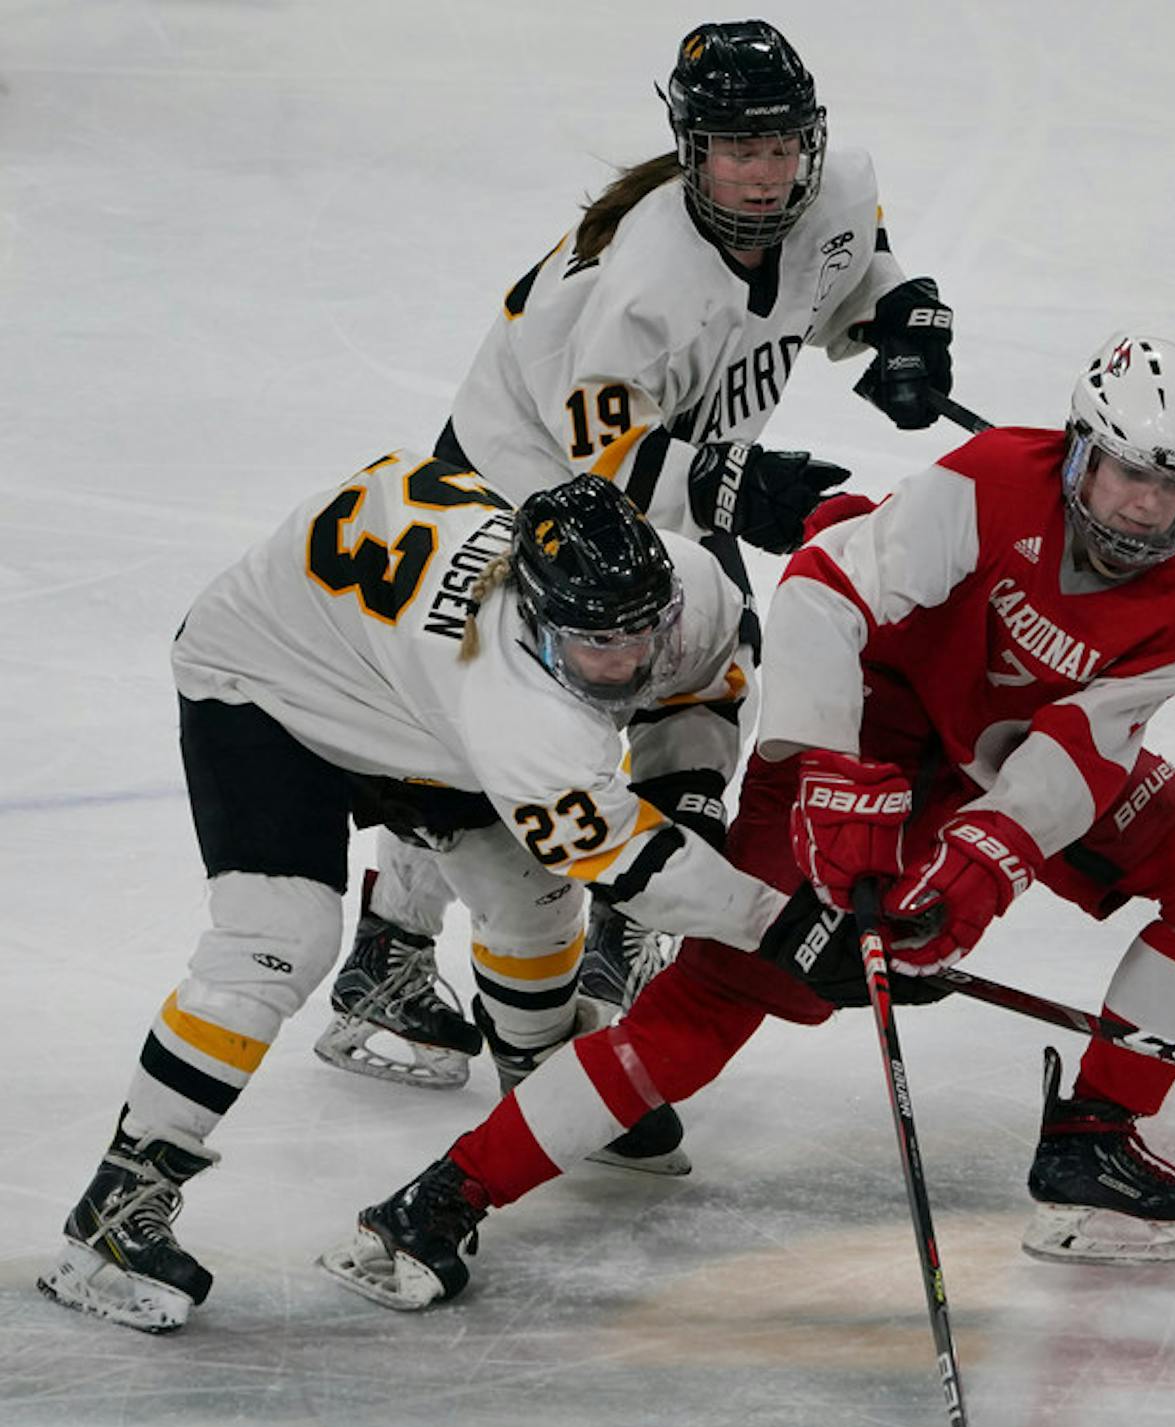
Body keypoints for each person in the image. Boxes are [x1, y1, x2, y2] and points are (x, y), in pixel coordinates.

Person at [319, 332, 1175, 1311]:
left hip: (1000, 757)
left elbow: (1082, 748)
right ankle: (445, 1195)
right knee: (722, 996)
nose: (1148, 508)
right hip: (869, 729)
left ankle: (1093, 1146)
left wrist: (977, 873)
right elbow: (825, 589)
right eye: (1127, 473)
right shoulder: (991, 481)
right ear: (1081, 446)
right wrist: (833, 776)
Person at [316, 17, 957, 1091]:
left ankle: (638, 908)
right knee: (483, 737)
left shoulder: (835, 184)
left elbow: (853, 262)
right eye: (738, 150)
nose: (768, 174)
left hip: (667, 469)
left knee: (711, 669)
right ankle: (388, 949)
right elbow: (605, 461)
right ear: (692, 148)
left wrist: (904, 327)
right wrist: (741, 487)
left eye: (784, 144)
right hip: (515, 483)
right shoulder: (639, 284)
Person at [39, 464, 786, 1333]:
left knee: (531, 895)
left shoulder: (684, 588)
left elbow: (703, 680)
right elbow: (632, 868)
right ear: (536, 617)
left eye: (641, 635)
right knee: (279, 938)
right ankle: (117, 1206)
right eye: (597, 645)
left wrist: (689, 789)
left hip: (406, 688)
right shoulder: (512, 699)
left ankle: (541, 1085)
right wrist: (777, 924)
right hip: (269, 684)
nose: (626, 662)